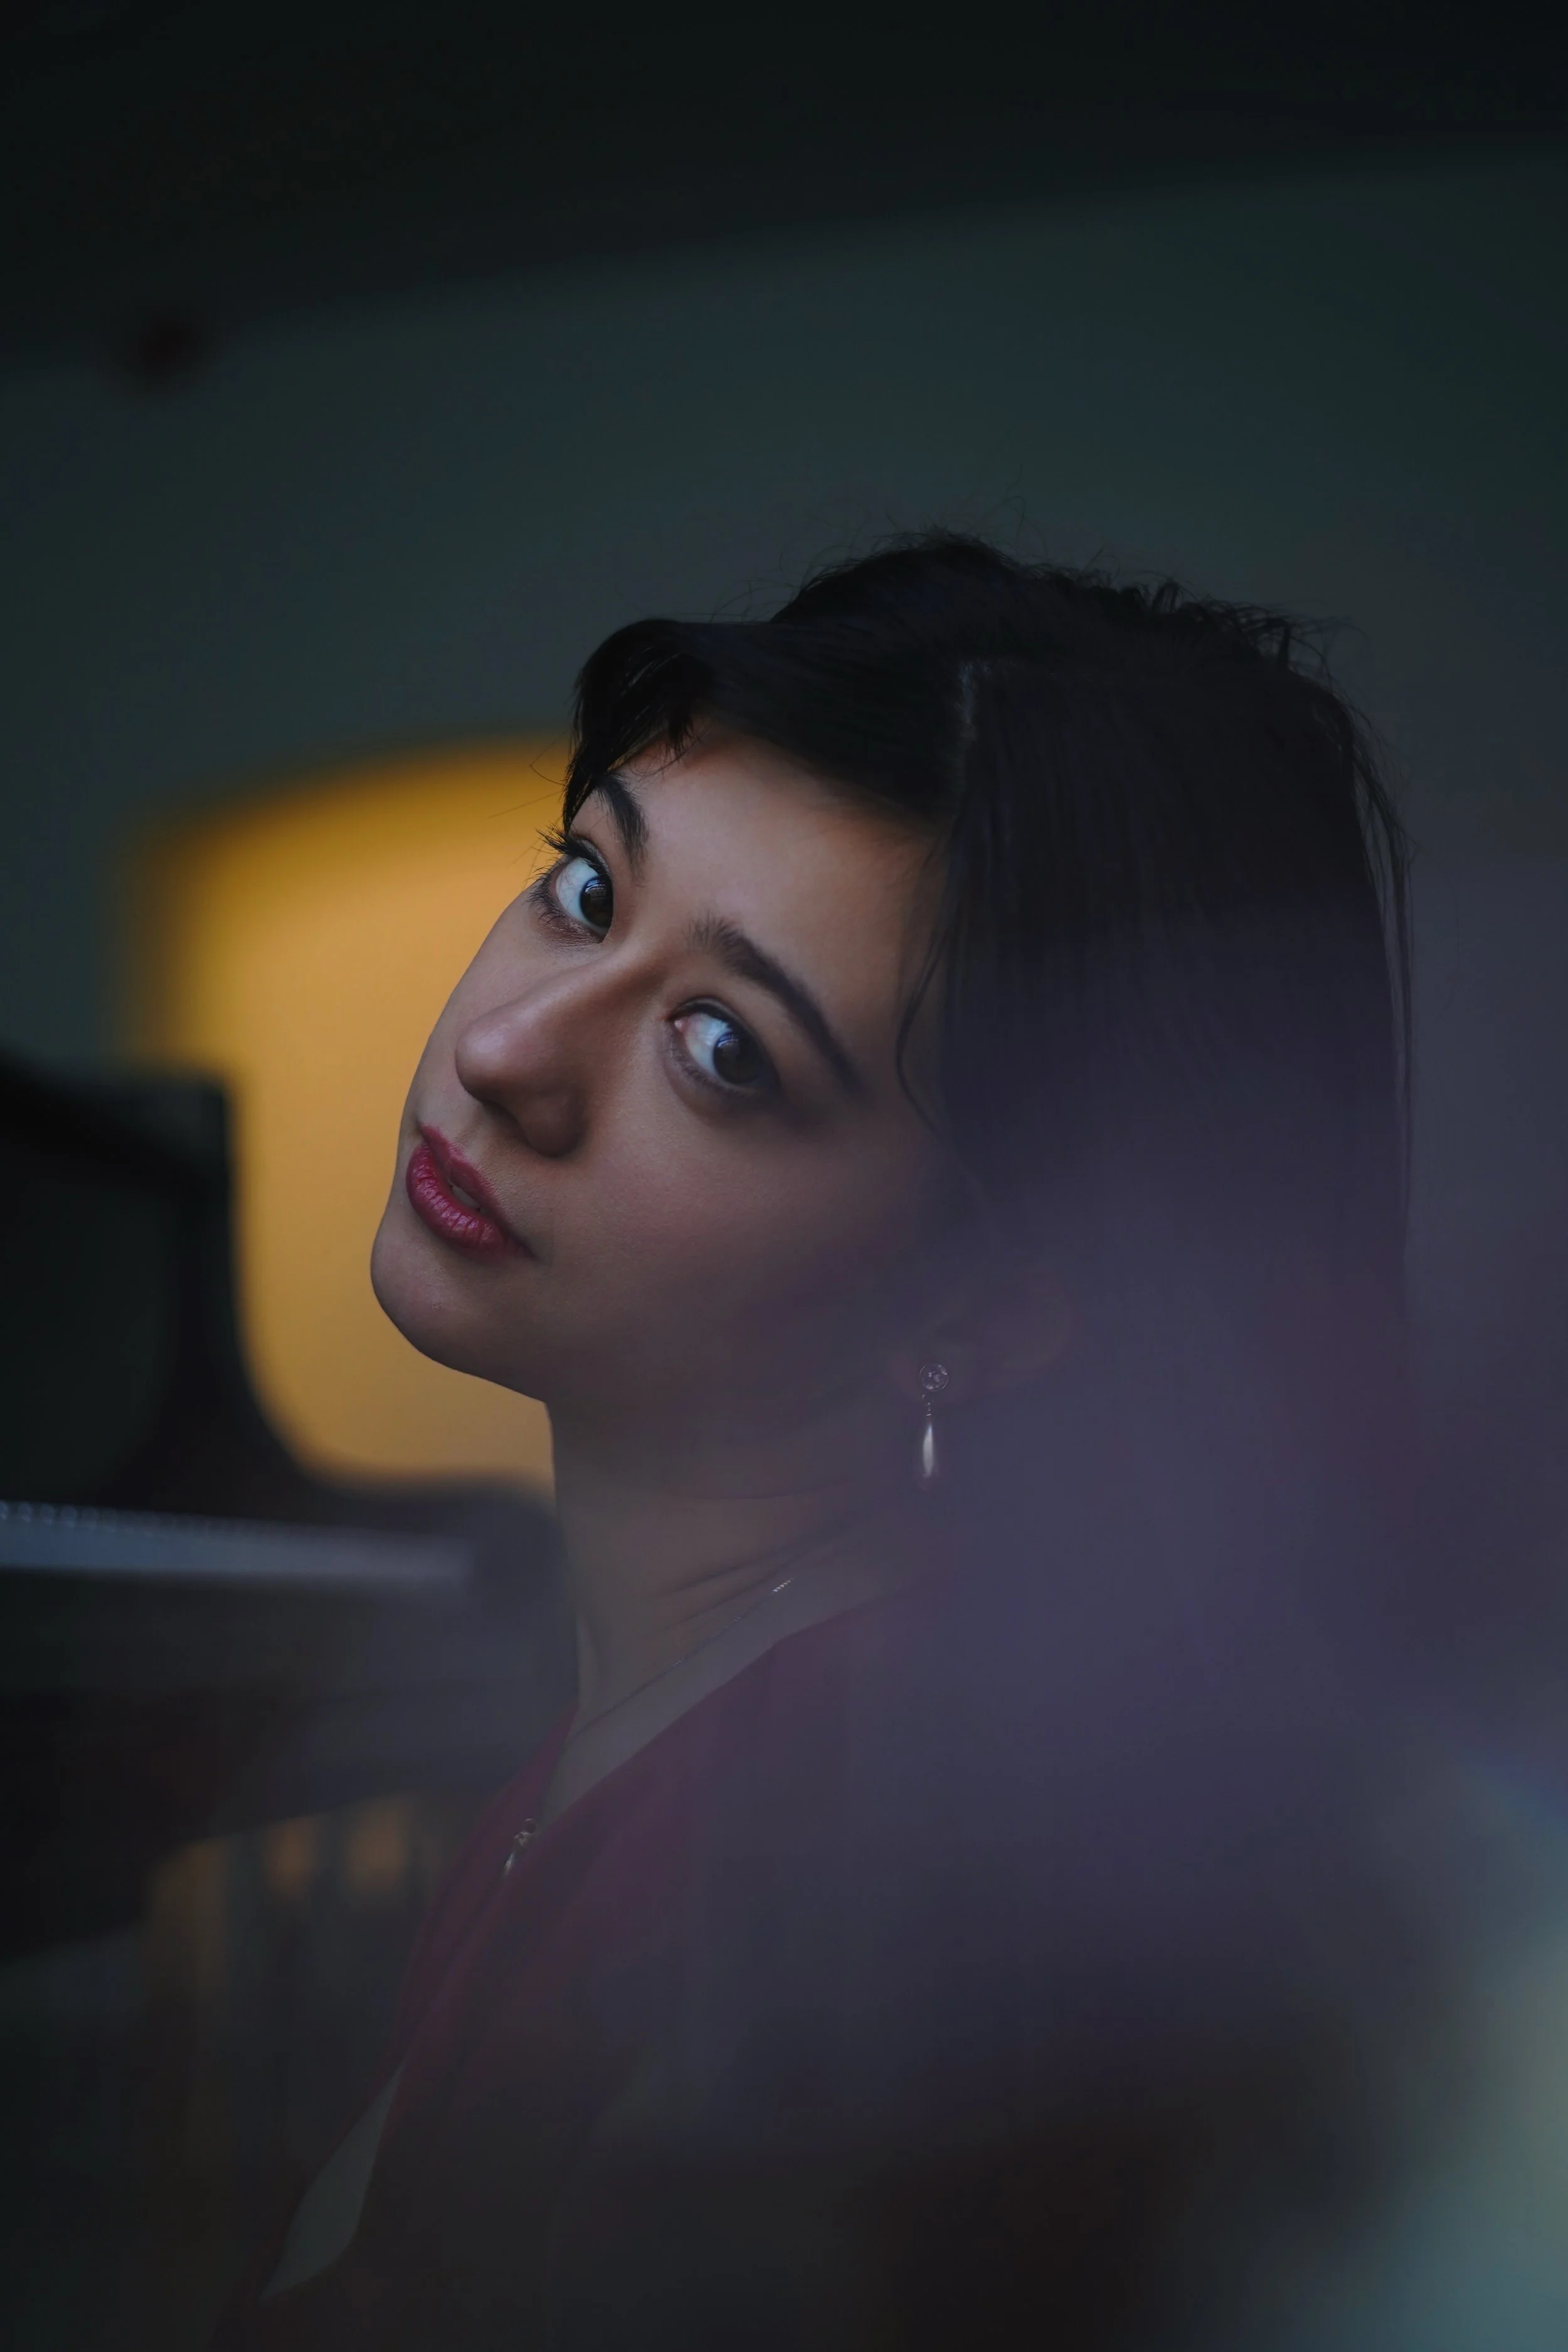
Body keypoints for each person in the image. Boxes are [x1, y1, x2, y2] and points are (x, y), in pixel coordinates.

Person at [213, 533, 1425, 2350]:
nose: (513, 1052)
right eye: (578, 885)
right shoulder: (704, 1725)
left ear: (983, 1310)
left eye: (722, 1049)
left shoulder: (813, 1873)